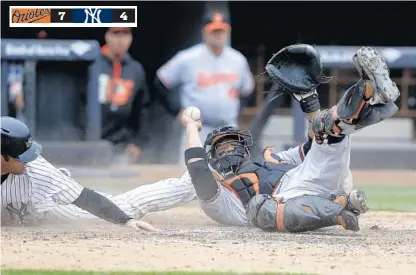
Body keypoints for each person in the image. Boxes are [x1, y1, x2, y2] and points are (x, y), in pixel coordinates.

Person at [181, 45, 400, 232]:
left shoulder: (271, 158)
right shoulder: (220, 195)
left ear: (244, 148)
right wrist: (192, 127)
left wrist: (309, 102)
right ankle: (338, 209)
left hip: (313, 177)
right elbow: (198, 171)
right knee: (259, 207)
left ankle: (370, 92)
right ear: (213, 159)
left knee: (323, 131)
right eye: (222, 150)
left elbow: (312, 146)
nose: (228, 152)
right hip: (294, 200)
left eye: (231, 147)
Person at [1, 116, 156, 232]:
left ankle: (180, 187)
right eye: (22, 158)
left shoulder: (37, 168)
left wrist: (125, 220)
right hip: (15, 211)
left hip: (44, 206)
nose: (28, 161)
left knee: (125, 207)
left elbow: (84, 197)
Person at [155, 10, 255, 163]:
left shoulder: (238, 60)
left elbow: (248, 90)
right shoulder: (188, 58)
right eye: (214, 31)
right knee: (191, 179)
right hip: (198, 129)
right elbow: (160, 82)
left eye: (221, 30)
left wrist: (238, 112)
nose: (218, 35)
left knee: (231, 178)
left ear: (228, 31)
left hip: (228, 129)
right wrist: (176, 111)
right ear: (205, 32)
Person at [97, 27, 150, 163]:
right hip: (90, 141)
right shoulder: (92, 63)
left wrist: (137, 142)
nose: (121, 40)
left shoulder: (135, 69)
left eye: (126, 34)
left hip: (120, 144)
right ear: (107, 36)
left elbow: (142, 108)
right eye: (116, 34)